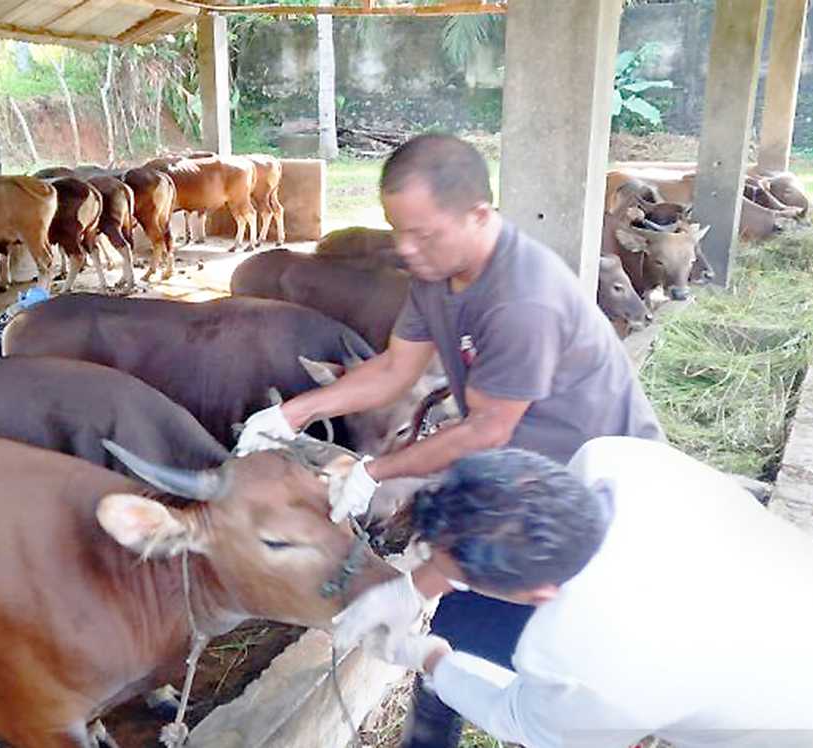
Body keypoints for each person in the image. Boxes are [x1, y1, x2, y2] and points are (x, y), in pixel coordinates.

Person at [235, 133, 664, 746]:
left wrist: (373, 473)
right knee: (455, 644)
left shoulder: (521, 300)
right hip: (522, 483)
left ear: (479, 215)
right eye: (397, 230)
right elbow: (393, 371)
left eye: (423, 235)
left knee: (564, 657)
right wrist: (292, 416)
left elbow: (486, 430)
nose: (406, 250)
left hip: (595, 491)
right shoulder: (439, 275)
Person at [337, 442, 813, 748]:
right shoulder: (622, 466)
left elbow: (520, 721)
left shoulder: (584, 655)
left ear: (537, 593)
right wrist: (417, 585)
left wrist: (426, 653)